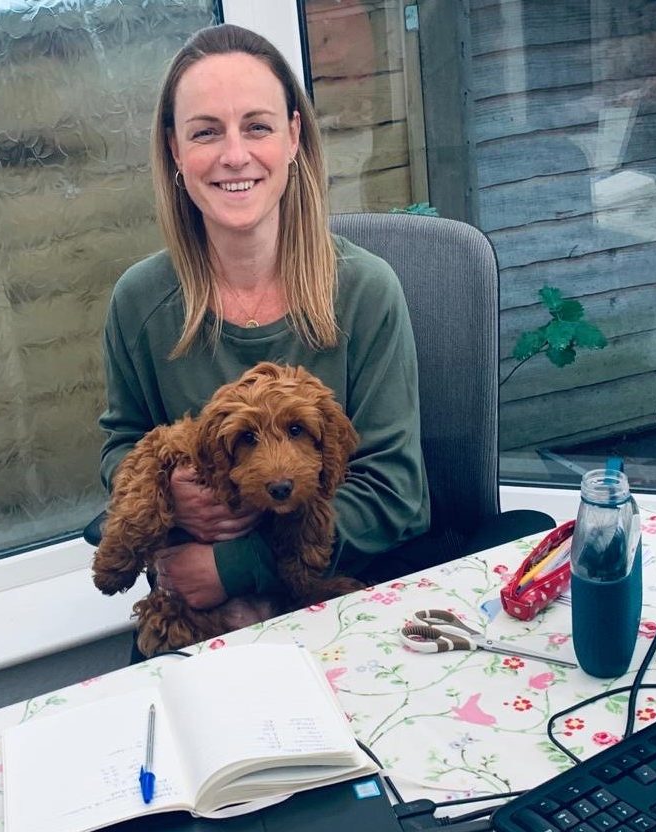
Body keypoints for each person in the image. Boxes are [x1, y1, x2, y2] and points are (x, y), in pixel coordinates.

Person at [98, 23, 430, 650]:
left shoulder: (366, 292)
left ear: (294, 137)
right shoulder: (139, 303)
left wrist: (236, 566)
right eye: (205, 132)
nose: (234, 155)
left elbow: (397, 491)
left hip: (338, 600)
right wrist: (169, 495)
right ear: (173, 150)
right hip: (198, 625)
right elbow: (121, 446)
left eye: (257, 126)